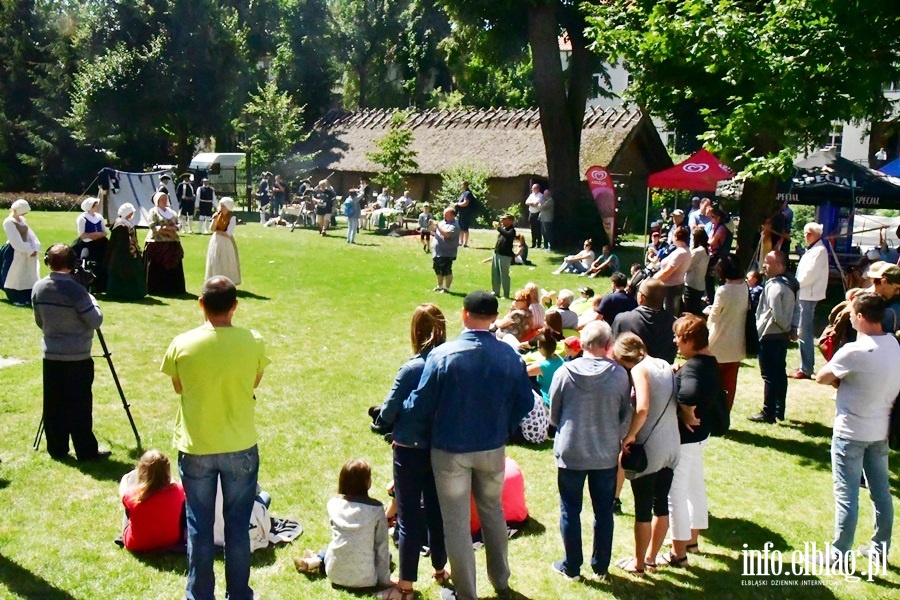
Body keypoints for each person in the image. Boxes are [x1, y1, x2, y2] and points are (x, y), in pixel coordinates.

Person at [402, 291, 534, 600]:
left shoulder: (444, 355)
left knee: (457, 522)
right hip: (491, 447)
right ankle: (500, 580)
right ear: (492, 319)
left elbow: (420, 403)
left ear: (464, 315)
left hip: (451, 450)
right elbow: (526, 401)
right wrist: (503, 427)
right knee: (493, 512)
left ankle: (466, 592)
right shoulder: (509, 356)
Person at [161, 276, 270, 600]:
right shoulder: (254, 341)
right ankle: (238, 594)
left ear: (200, 304)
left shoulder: (182, 343)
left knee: (200, 526)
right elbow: (254, 382)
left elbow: (178, 386)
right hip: (240, 445)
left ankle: (199, 595)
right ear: (235, 306)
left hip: (196, 446)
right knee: (238, 528)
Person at [815, 292, 900, 567]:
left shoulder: (854, 350)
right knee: (881, 493)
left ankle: (839, 554)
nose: (849, 318)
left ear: (861, 317)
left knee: (847, 495)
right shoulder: (893, 344)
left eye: (852, 314)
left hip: (850, 432)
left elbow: (823, 377)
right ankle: (879, 548)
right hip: (881, 430)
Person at [369, 305, 449, 596]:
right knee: (436, 512)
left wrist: (382, 420)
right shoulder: (449, 364)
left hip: (409, 449)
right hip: (440, 447)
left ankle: (405, 582)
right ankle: (440, 568)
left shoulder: (412, 367)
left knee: (408, 515)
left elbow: (388, 411)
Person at [548, 320, 632, 581]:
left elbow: (554, 413)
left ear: (583, 343)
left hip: (572, 450)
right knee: (603, 511)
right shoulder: (619, 375)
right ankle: (600, 566)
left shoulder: (565, 372)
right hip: (605, 453)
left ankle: (571, 566)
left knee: (570, 509)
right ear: (608, 346)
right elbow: (625, 414)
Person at [611, 333, 679, 577]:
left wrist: (630, 435)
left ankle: (638, 565)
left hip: (650, 448)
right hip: (672, 445)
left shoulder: (640, 370)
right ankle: (650, 558)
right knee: (662, 505)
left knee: (642, 509)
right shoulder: (664, 364)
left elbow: (642, 407)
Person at [32, 243, 105, 461]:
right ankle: (85, 450)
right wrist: (93, 301)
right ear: (72, 264)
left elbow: (39, 321)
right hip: (77, 357)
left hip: (51, 355)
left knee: (53, 404)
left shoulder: (39, 287)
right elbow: (95, 320)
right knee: (80, 405)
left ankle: (57, 448)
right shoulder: (76, 290)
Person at [662, 314, 719, 567]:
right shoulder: (708, 360)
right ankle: (692, 541)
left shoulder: (694, 366)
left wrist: (685, 410)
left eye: (678, 337)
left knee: (676, 494)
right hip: (700, 436)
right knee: (695, 488)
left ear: (689, 340)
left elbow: (689, 393)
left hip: (685, 439)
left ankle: (679, 554)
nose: (675, 341)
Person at [293, 459, 396, 596]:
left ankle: (315, 561)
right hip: (366, 579)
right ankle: (315, 561)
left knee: (337, 544)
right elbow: (381, 548)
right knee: (388, 555)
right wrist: (385, 582)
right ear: (367, 482)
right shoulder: (376, 509)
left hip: (334, 574)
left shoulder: (333, 504)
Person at [749, 251, 799, 424]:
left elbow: (775, 312)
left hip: (770, 334)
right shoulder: (791, 283)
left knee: (769, 375)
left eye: (768, 262)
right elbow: (795, 310)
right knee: (779, 373)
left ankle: (768, 412)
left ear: (779, 266)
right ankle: (779, 410)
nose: (764, 265)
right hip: (781, 335)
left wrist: (785, 326)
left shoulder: (775, 286)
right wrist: (791, 328)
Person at [118, 449, 186, 552]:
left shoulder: (133, 495)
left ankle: (126, 534)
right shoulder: (179, 490)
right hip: (170, 539)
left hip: (137, 543)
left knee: (128, 503)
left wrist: (126, 477)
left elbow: (123, 491)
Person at [704, 254, 748, 410]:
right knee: (730, 384)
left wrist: (708, 312)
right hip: (737, 341)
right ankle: (724, 414)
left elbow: (714, 317)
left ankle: (711, 413)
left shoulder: (723, 290)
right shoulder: (745, 287)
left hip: (719, 340)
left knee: (713, 381)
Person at [790, 223, 829, 380]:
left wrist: (795, 285)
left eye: (809, 233)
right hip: (804, 293)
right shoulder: (813, 249)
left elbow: (809, 275)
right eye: (805, 233)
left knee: (804, 331)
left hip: (809, 294)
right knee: (802, 330)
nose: (806, 236)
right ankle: (803, 364)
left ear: (816, 234)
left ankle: (806, 368)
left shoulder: (819, 250)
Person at [612, 279, 677, 364]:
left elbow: (614, 352)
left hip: (631, 374)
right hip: (664, 374)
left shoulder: (623, 320)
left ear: (641, 297)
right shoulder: (674, 324)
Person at [144, 192, 186, 296]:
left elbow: (179, 224)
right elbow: (152, 225)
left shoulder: (171, 212)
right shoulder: (153, 211)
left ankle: (172, 288)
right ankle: (156, 288)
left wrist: (174, 228)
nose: (164, 200)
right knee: (157, 265)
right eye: (161, 199)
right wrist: (164, 229)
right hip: (157, 242)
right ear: (157, 201)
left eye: (165, 198)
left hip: (172, 242)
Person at [2, 199, 41, 306]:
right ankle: (15, 296)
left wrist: (35, 247)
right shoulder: (9, 222)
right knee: (14, 274)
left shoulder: (22, 220)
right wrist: (28, 249)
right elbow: (15, 239)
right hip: (14, 250)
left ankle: (26, 296)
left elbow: (30, 235)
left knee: (26, 274)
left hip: (26, 250)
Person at [104, 203, 147, 300]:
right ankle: (122, 293)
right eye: (130, 212)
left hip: (130, 250)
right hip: (122, 253)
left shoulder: (128, 223)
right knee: (123, 271)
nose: (132, 214)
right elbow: (121, 242)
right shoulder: (120, 225)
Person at [72, 197, 108, 292]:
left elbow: (104, 232)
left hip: (100, 244)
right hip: (86, 243)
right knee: (86, 260)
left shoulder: (99, 217)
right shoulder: (82, 218)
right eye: (95, 205)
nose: (97, 207)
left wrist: (99, 235)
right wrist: (94, 235)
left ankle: (101, 285)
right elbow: (82, 235)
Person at [653, 226, 691, 315]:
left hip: (672, 288)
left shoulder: (681, 253)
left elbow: (668, 272)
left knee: (669, 314)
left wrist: (652, 280)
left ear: (676, 236)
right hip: (672, 286)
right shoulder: (681, 250)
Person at [205, 197, 241, 286]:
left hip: (226, 242)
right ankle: (214, 280)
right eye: (221, 206)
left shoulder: (232, 218)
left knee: (225, 260)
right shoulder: (217, 215)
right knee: (215, 259)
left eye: (224, 206)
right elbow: (211, 228)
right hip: (216, 240)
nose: (222, 208)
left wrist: (217, 231)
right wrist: (215, 219)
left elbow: (228, 233)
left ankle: (227, 281)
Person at [526, 332, 564, 408]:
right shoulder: (559, 358)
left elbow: (522, 372)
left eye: (538, 348)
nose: (538, 350)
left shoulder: (542, 366)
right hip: (558, 399)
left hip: (546, 402)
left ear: (543, 349)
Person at [431, 207, 460, 293]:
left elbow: (447, 235)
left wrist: (438, 226)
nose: (443, 215)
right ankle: (439, 286)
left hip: (447, 253)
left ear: (451, 215)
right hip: (437, 251)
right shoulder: (443, 222)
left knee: (446, 270)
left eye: (445, 214)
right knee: (438, 269)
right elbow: (434, 232)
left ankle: (446, 288)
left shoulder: (454, 225)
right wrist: (431, 226)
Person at [683, 229, 710, 315]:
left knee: (689, 312)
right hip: (700, 285)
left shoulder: (698, 251)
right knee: (696, 311)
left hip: (692, 285)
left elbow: (686, 267)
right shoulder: (706, 250)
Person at [491, 214, 516, 299]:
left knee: (504, 275)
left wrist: (499, 228)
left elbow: (508, 236)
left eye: (504, 220)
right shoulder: (503, 229)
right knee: (495, 274)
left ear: (510, 221)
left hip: (505, 256)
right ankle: (495, 291)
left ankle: (506, 294)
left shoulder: (512, 230)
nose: (502, 222)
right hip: (497, 254)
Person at [455, 181, 476, 248]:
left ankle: (465, 243)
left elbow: (466, 203)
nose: (461, 187)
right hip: (461, 213)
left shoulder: (467, 193)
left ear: (465, 185)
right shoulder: (463, 193)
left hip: (466, 213)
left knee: (465, 228)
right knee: (460, 228)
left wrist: (457, 204)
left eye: (462, 185)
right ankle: (460, 242)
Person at [524, 183, 544, 249]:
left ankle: (538, 244)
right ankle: (533, 243)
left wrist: (531, 203)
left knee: (538, 229)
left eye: (533, 188)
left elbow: (536, 204)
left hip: (537, 214)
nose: (532, 189)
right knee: (532, 229)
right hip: (531, 213)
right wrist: (531, 203)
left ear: (537, 189)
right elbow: (526, 202)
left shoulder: (540, 195)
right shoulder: (531, 195)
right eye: (532, 188)